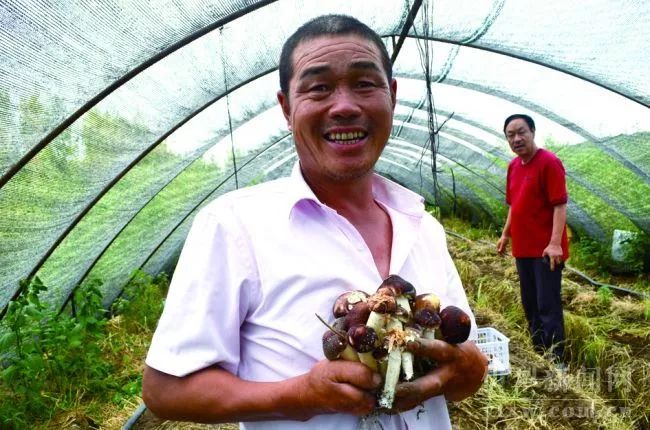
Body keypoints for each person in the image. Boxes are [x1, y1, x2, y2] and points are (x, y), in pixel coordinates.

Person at [142, 14, 488, 429]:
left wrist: (470, 372)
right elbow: (166, 390)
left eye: (364, 83)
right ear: (287, 108)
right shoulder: (235, 226)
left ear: (391, 96)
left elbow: (458, 361)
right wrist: (300, 395)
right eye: (319, 87)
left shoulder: (423, 227)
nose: (344, 106)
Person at [496, 114, 568, 363]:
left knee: (548, 306)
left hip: (547, 251)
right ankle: (540, 354)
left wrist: (555, 243)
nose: (516, 139)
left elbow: (560, 205)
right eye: (510, 135)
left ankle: (557, 360)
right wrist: (506, 234)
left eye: (521, 132)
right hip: (523, 249)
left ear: (533, 132)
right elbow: (514, 205)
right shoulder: (514, 167)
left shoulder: (549, 163)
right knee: (531, 305)